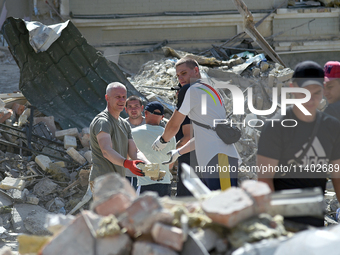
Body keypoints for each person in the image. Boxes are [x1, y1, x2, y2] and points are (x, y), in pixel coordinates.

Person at [257, 60, 340, 227]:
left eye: (316, 93)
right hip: (284, 223)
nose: (310, 100)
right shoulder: (275, 127)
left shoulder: (331, 127)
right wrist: (275, 221)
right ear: (292, 88)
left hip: (315, 221)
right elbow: (265, 179)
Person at [152, 57, 239, 191]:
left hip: (218, 159)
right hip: (219, 158)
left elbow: (174, 125)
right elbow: (204, 135)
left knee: (225, 204)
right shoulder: (211, 90)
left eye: (184, 73)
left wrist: (162, 140)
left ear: (196, 70)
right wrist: (178, 152)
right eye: (178, 75)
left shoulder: (191, 90)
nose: (180, 78)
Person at [89, 82, 150, 191]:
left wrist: (148, 165)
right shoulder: (103, 122)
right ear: (107, 98)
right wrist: (127, 163)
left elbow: (134, 152)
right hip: (103, 180)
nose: (122, 100)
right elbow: (106, 151)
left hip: (118, 181)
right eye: (117, 97)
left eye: (124, 97)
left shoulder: (124, 124)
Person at [132, 101, 176, 196]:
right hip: (165, 183)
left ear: (146, 113)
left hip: (145, 183)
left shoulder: (133, 133)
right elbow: (171, 164)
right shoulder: (169, 136)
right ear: (162, 117)